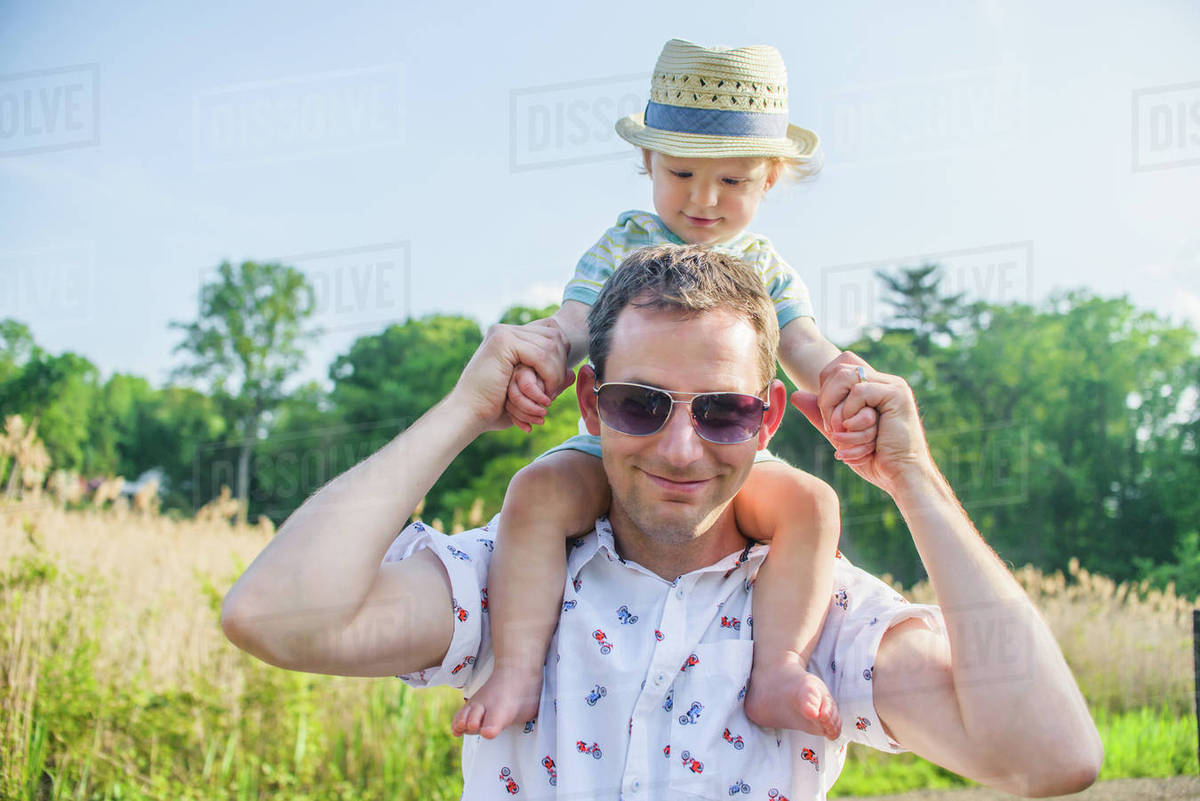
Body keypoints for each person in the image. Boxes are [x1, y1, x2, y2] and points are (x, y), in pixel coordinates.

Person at [221, 245, 1102, 800]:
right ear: (590, 406)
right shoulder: (505, 581)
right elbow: (272, 616)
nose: (681, 448)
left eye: (722, 412)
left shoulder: (822, 615)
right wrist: (460, 412)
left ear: (769, 420)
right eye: (641, 404)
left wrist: (912, 477)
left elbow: (1051, 757)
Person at [469, 38, 875, 741]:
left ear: (771, 178)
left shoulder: (766, 269)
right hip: (614, 441)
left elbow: (802, 344)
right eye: (682, 172)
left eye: (734, 181)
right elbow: (573, 324)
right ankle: (516, 669)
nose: (704, 199)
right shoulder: (623, 243)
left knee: (813, 502)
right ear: (649, 163)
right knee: (533, 495)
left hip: (723, 444)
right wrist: (537, 357)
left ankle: (779, 669)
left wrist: (842, 374)